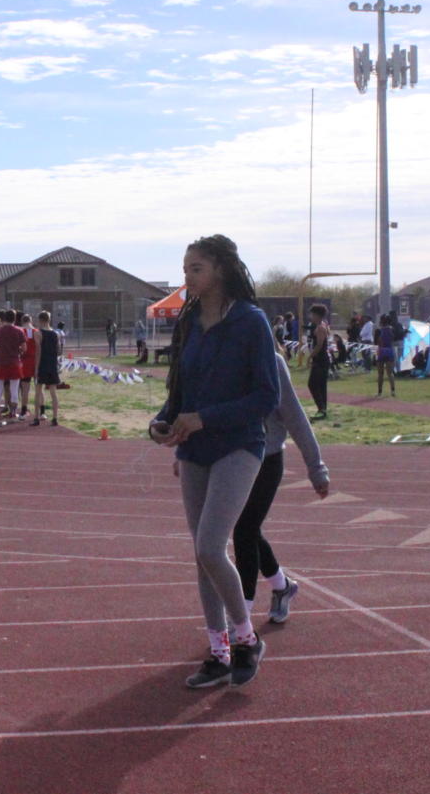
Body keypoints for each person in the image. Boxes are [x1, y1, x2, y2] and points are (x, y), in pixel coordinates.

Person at [148, 234, 277, 689]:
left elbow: (266, 396)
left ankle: (246, 639)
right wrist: (162, 423)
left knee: (209, 545)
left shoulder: (251, 322)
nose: (187, 276)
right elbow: (178, 393)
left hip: (239, 444)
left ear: (221, 269)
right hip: (195, 448)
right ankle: (218, 652)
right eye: (185, 268)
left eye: (196, 268)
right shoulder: (188, 324)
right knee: (202, 556)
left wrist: (204, 418)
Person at [233, 353, 331, 624]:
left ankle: (242, 612)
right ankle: (282, 586)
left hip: (268, 458)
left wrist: (316, 468)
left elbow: (295, 416)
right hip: (234, 460)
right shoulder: (224, 356)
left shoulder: (271, 362)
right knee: (248, 529)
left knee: (244, 529)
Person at [0, 309, 25, 420]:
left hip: (1, 362)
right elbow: (24, 348)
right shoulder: (19, 331)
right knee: (14, 389)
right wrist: (17, 350)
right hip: (15, 363)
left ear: (4, 318)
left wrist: (1, 347)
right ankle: (13, 412)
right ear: (15, 319)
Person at [31, 311, 61, 427]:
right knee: (53, 391)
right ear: (49, 319)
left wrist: (36, 368)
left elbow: (38, 351)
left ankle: (36, 418)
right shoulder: (56, 333)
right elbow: (58, 350)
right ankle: (55, 418)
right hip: (52, 364)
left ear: (40, 320)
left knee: (38, 391)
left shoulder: (38, 333)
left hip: (43, 364)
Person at [305, 304, 330, 418]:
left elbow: (319, 345)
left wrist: (310, 356)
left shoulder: (320, 327)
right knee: (320, 385)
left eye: (312, 314)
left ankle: (321, 408)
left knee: (312, 384)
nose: (311, 316)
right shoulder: (321, 325)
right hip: (321, 359)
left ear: (317, 315)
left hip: (320, 359)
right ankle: (323, 409)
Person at [18, 313, 38, 418]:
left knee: (25, 388)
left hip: (24, 362)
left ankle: (23, 410)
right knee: (38, 387)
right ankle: (41, 411)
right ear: (31, 321)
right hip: (35, 361)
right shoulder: (36, 331)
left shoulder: (20, 331)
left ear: (22, 321)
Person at [375, 312, 398, 396]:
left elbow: (376, 341)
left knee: (380, 373)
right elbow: (394, 339)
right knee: (390, 373)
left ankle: (379, 392)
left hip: (381, 351)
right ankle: (393, 391)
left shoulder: (378, 330)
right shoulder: (392, 329)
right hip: (390, 350)